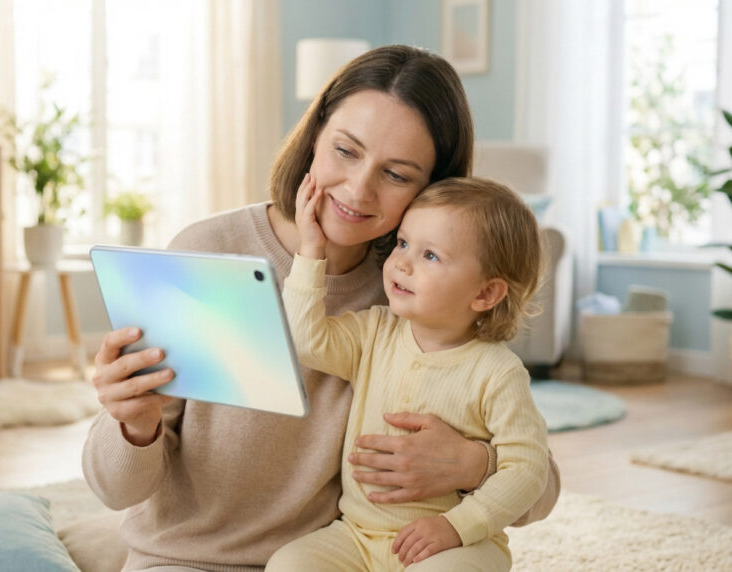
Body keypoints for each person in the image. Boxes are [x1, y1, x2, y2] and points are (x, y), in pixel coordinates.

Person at [83, 44, 561, 572]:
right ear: (314, 135)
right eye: (346, 151)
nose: (358, 189)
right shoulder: (209, 250)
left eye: (397, 175)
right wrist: (133, 424)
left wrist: (473, 464)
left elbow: (540, 487)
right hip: (186, 560)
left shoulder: (418, 292)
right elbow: (115, 489)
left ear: (433, 190)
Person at [267, 176, 549, 572]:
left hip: (455, 545)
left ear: (485, 293)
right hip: (357, 536)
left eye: (430, 255)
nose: (401, 262)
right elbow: (305, 341)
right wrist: (312, 251)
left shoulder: (498, 373)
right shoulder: (374, 331)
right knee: (288, 565)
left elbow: (528, 470)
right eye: (402, 243)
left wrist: (457, 527)